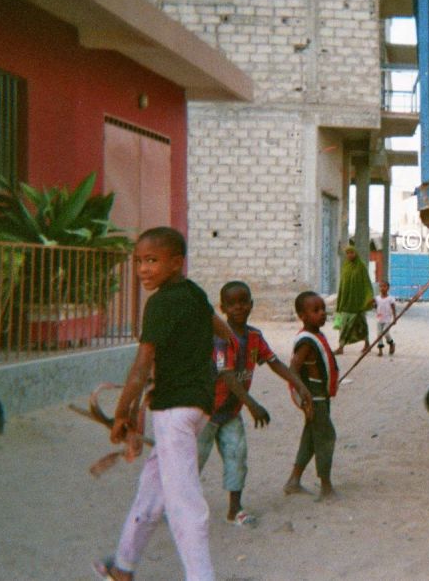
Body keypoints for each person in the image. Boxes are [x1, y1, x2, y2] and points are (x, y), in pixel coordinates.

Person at [95, 227, 234, 581]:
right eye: (139, 261)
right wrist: (214, 361)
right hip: (197, 408)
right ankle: (123, 567)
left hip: (173, 411)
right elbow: (223, 332)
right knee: (152, 492)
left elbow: (142, 365)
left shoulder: (159, 304)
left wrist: (121, 414)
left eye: (152, 261)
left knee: (184, 504)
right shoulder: (194, 294)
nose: (143, 269)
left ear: (176, 262)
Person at [197, 281, 313, 527]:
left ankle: (235, 510)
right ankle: (172, 503)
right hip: (206, 411)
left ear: (251, 304)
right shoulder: (220, 338)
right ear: (223, 308)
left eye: (243, 302)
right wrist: (252, 404)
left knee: (237, 458)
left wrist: (299, 384)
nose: (239, 307)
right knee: (193, 462)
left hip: (231, 412)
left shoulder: (254, 337)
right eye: (232, 304)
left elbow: (274, 362)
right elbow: (227, 375)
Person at [284, 291, 340, 500]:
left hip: (321, 396)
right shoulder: (306, 341)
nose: (322, 313)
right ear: (302, 316)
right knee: (325, 437)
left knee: (310, 437)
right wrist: (304, 395)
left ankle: (293, 481)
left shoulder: (316, 335)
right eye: (316, 310)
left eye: (323, 309)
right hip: (314, 398)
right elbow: (293, 369)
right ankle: (326, 486)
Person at [335, 244, 374, 353]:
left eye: (351, 252)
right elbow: (342, 284)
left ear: (355, 253)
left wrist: (369, 297)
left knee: (362, 325)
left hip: (358, 302)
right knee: (344, 325)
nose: (350, 255)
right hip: (346, 302)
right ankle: (341, 347)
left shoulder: (361, 266)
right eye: (347, 253)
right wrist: (340, 299)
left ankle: (367, 344)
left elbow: (366, 283)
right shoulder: (345, 266)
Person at [373, 280, 396, 356]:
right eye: (381, 286)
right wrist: (374, 305)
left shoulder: (391, 298)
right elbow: (376, 306)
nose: (382, 288)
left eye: (384, 286)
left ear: (388, 288)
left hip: (387, 320)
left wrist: (395, 318)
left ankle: (391, 343)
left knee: (386, 333)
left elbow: (393, 308)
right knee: (379, 334)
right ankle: (380, 351)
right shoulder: (377, 298)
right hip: (379, 319)